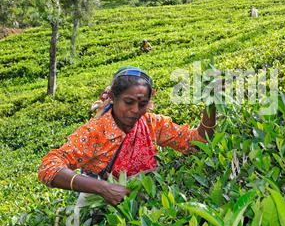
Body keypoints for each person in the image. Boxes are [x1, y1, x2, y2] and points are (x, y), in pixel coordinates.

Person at [38, 66, 216, 207]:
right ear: (114, 98)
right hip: (106, 213)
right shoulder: (95, 132)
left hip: (146, 204)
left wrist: (211, 104)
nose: (135, 111)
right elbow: (49, 167)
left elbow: (197, 143)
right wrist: (104, 188)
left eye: (142, 104)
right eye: (128, 102)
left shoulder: (151, 123)